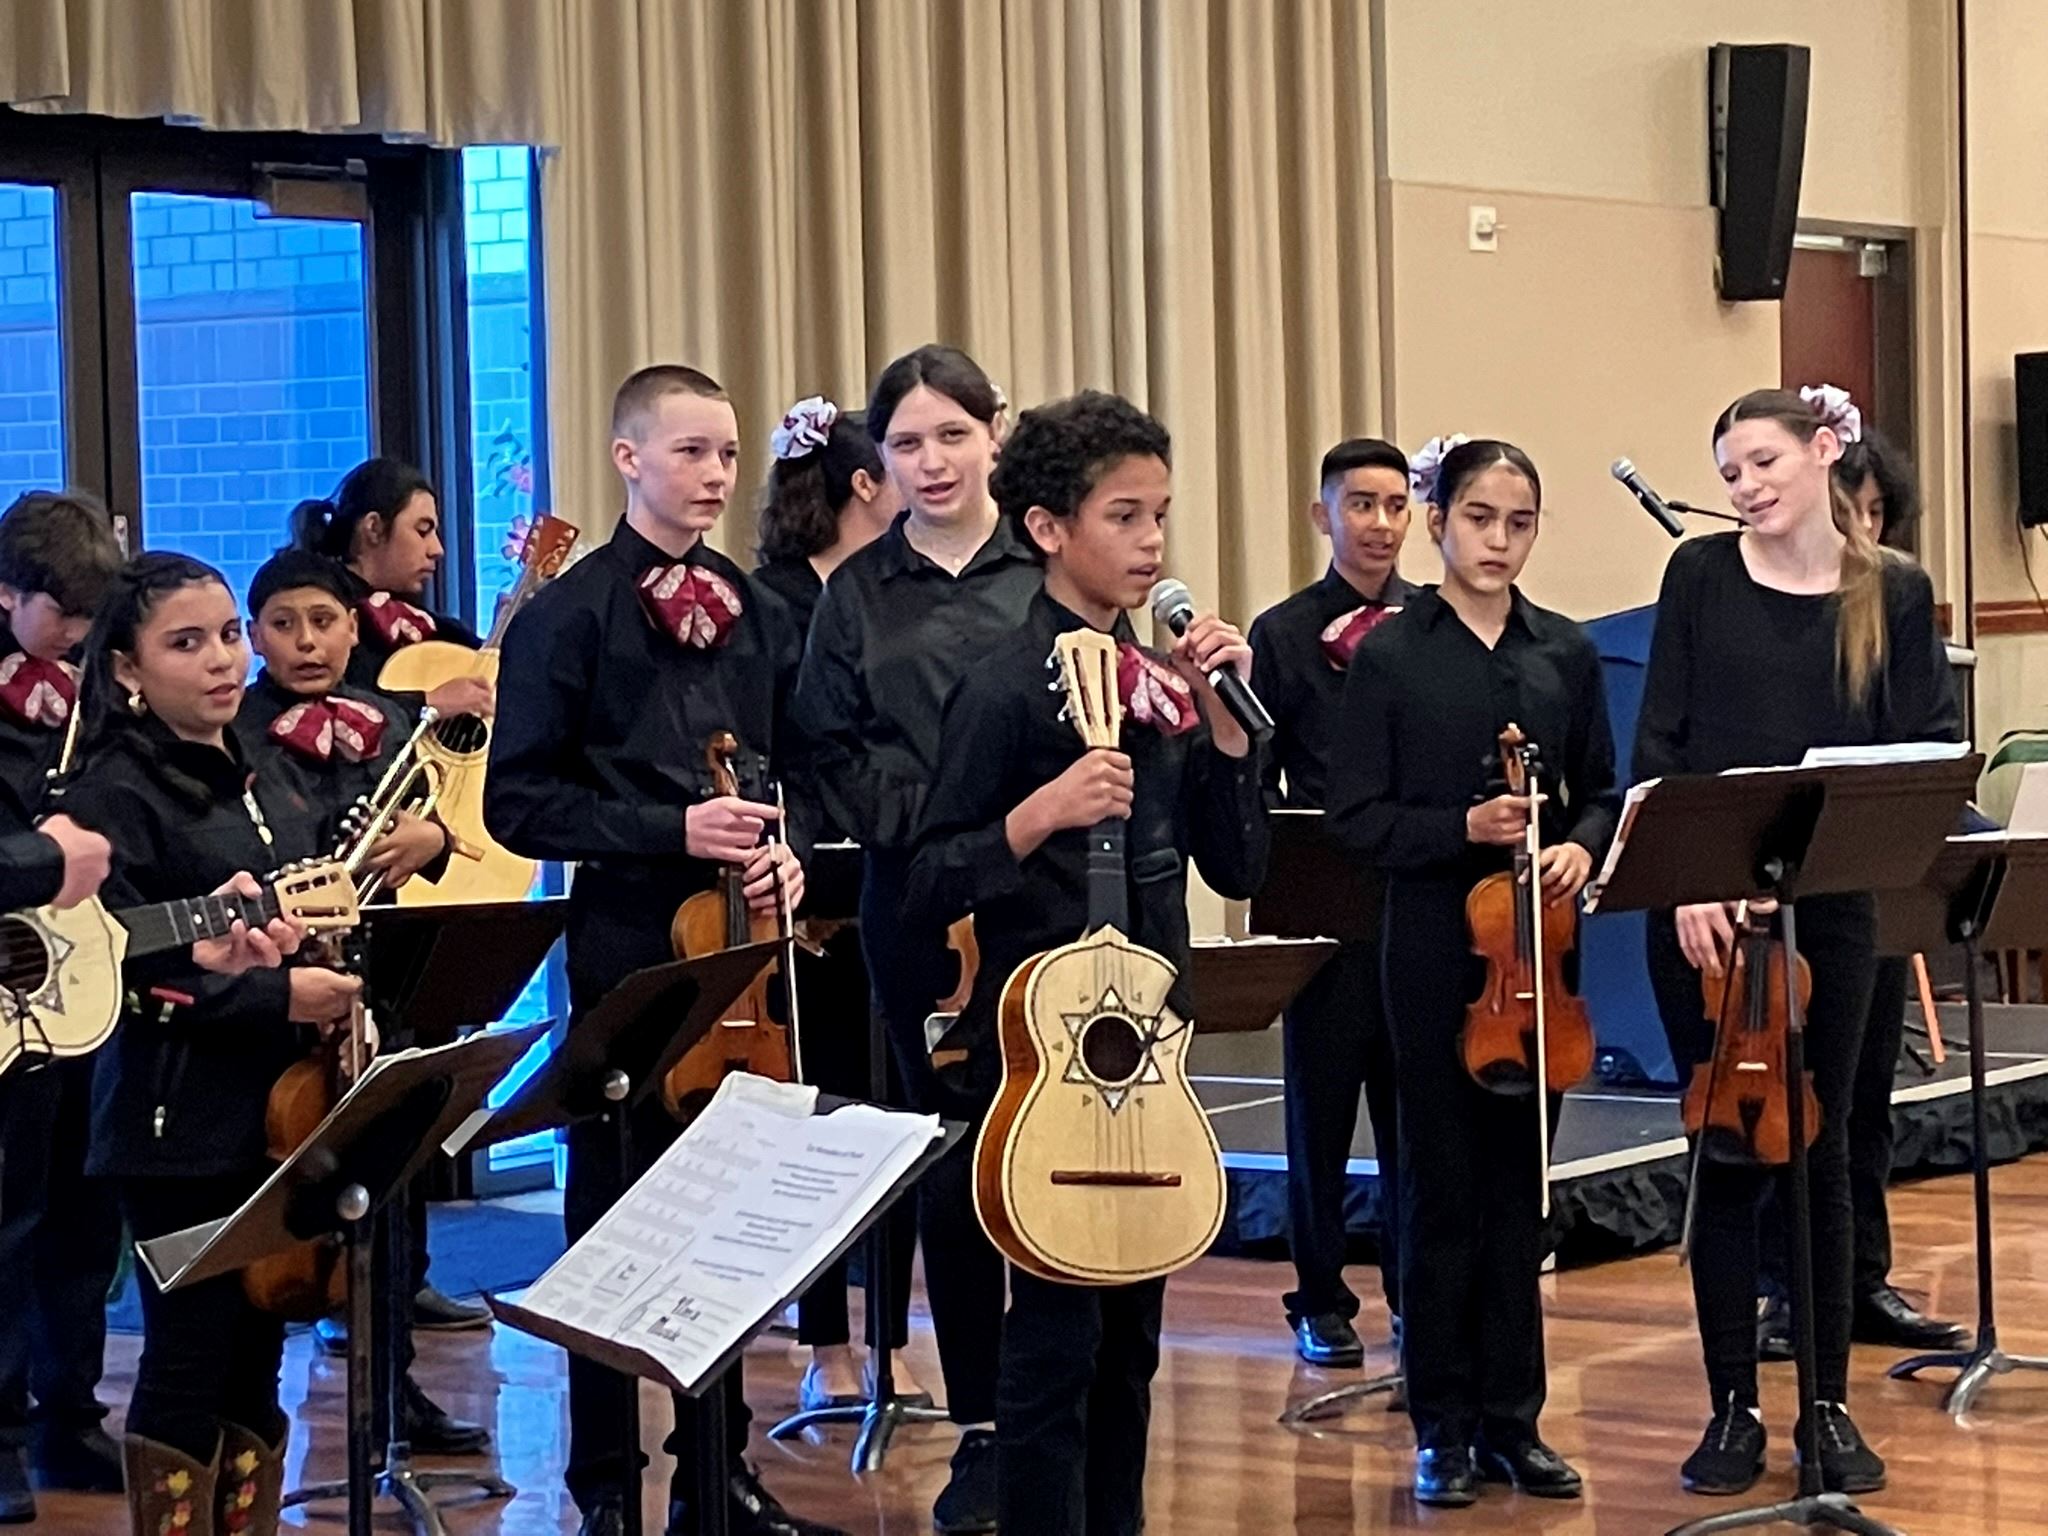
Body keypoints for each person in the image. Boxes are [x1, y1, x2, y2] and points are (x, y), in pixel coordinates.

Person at [905, 389, 1268, 1536]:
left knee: (1132, 1346)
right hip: (1040, 1050)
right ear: (1049, 529)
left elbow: (1237, 859)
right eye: (1124, 516)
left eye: (1160, 516)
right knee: (1053, 1342)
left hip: (1148, 1045)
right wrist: (1035, 816)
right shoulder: (1003, 685)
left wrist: (1221, 731)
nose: (1152, 543)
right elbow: (924, 878)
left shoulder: (1164, 688)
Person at [486, 364, 837, 1536]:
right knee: (611, 1205)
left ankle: (716, 1473)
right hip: (630, 939)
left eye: (727, 455)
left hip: (742, 937)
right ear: (629, 459)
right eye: (690, 453)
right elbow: (519, 806)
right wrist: (665, 827)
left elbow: (783, 770)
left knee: (727, 1205)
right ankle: (601, 1486)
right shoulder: (566, 617)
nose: (715, 476)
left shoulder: (754, 606)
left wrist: (782, 854)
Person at [1635, 387, 1960, 1498]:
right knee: (1724, 1156)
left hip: (1830, 917)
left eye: (1762, 461)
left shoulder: (1895, 593)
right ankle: (1730, 1406)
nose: (1744, 487)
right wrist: (1687, 881)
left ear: (1824, 450)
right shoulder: (1697, 576)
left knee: (1819, 1159)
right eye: (1728, 473)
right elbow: (1660, 740)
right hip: (1704, 919)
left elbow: (1920, 748)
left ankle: (1823, 1407)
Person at [1327, 436, 1617, 1509]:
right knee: (1439, 1189)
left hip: (1537, 957)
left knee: (1518, 1193)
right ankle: (1439, 1425)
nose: (1498, 541)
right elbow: (1354, 818)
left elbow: (1597, 787)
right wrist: (1459, 822)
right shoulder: (1392, 657)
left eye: (1520, 522)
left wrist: (1581, 840)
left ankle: (1515, 1421)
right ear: (1437, 518)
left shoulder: (1565, 654)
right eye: (1480, 518)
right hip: (1431, 951)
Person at [790, 344, 1040, 1535]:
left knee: (1051, 1137)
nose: (930, 462)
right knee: (954, 1150)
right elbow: (824, 747)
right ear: (875, 462)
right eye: (904, 445)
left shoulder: (1043, 564)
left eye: (951, 435)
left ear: (995, 435)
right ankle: (984, 1426)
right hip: (918, 904)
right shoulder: (855, 594)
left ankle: (1058, 1404)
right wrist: (933, 823)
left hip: (1044, 895)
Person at [59, 552, 356, 1536]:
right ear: (129, 672)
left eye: (230, 634)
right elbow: (125, 976)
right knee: (189, 1355)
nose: (224, 659)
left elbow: (272, 918)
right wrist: (280, 996)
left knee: (255, 1355)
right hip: (171, 1122)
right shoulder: (110, 796)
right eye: (187, 643)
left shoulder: (260, 767)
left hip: (276, 1112)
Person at [1754, 409, 1966, 1359]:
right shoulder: (1774, 607)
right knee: (1781, 1099)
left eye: (1881, 513)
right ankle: (1782, 1292)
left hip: (1866, 874)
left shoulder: (1899, 604)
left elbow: (1920, 734)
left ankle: (1858, 1280)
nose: (1867, 532)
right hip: (1782, 885)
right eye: (1856, 510)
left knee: (1862, 1093)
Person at [289, 463, 495, 1341]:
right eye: (422, 528)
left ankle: (403, 1282)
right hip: (343, 921)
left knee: (417, 1091)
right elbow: (325, 713)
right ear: (369, 532)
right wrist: (420, 699)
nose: (439, 549)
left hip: (422, 898)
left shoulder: (439, 632)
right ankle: (345, 1289)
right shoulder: (327, 628)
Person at [752, 394, 926, 1411]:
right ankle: (823, 1339)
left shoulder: (891, 593)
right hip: (805, 874)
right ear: (867, 484)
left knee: (894, 1107)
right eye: (903, 458)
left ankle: (891, 1338)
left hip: (889, 866)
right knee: (820, 1114)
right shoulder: (771, 600)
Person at [1249, 436, 1417, 1369]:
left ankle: (1413, 1288)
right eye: (1361, 504)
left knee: (1412, 1114)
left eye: (1396, 505)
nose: (1381, 523)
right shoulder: (1279, 635)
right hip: (1321, 909)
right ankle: (1317, 1294)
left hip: (1416, 905)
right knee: (1318, 1111)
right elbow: (1258, 776)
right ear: (1324, 515)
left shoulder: (1429, 624)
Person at [0, 489, 125, 1517]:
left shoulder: (87, 691)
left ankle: (68, 1415)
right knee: (7, 1220)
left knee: (83, 1216)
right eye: (64, 615)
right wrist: (42, 858)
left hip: (72, 986)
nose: (82, 637)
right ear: (7, 595)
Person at [289, 457, 495, 723]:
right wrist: (427, 703)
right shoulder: (322, 609)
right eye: (422, 531)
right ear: (373, 528)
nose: (437, 549)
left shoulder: (427, 623)